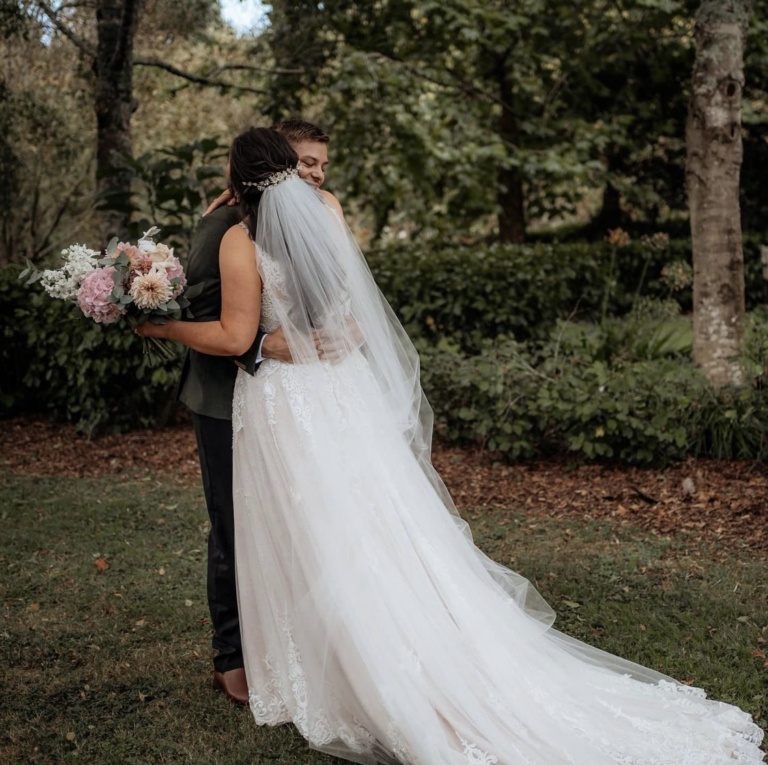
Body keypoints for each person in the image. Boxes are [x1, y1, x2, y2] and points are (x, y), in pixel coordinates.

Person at [140, 129, 765, 764]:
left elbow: (234, 333)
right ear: (288, 170)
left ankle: (329, 668)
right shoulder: (325, 215)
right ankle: (402, 642)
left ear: (237, 176)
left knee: (304, 529)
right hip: (340, 396)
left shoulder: (240, 240)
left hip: (283, 401)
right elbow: (358, 306)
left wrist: (158, 323)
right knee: (375, 523)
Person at [176, 120, 332, 705]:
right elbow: (205, 306)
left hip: (279, 396)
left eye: (320, 165)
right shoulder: (226, 224)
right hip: (227, 398)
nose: (314, 175)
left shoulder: (299, 218)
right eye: (306, 164)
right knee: (234, 525)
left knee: (274, 524)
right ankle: (234, 656)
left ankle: (274, 651)